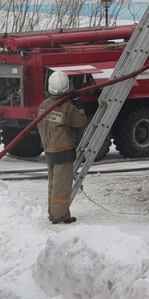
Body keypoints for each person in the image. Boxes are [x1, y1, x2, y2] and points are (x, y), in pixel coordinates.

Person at [39, 69, 89, 225]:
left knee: (53, 182)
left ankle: (52, 211)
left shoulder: (43, 105)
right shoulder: (67, 108)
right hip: (63, 149)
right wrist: (78, 105)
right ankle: (60, 215)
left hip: (49, 148)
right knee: (62, 185)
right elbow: (80, 121)